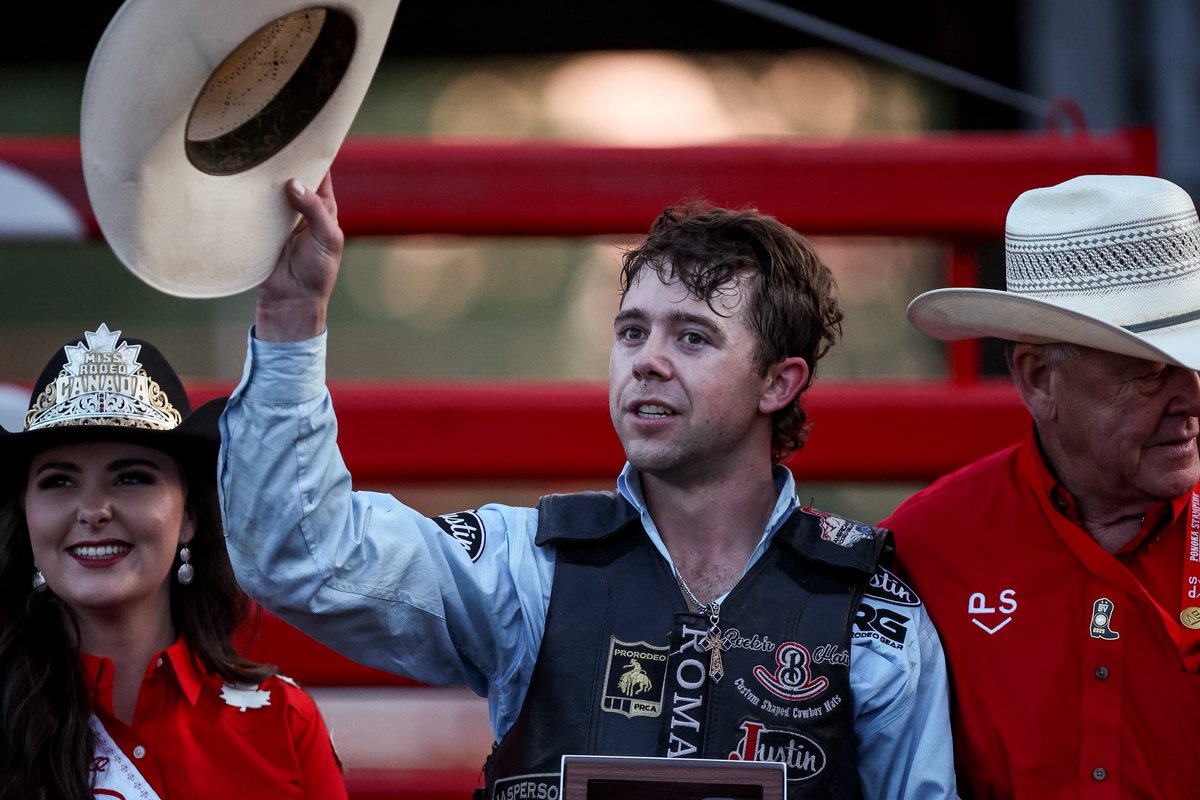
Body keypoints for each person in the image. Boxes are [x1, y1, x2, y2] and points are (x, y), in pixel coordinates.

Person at [220, 174, 958, 798]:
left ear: (778, 381)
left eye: (692, 337)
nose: (648, 361)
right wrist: (290, 322)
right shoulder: (528, 566)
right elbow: (300, 556)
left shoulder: (869, 613)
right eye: (632, 332)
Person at [884, 174, 1200, 798]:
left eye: (1194, 362)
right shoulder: (923, 550)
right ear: (1037, 379)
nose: (1191, 397)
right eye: (1149, 372)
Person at [0, 323, 347, 799]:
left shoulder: (285, 724)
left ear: (189, 519)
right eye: (59, 482)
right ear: (26, 515)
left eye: (131, 479)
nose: (93, 511)